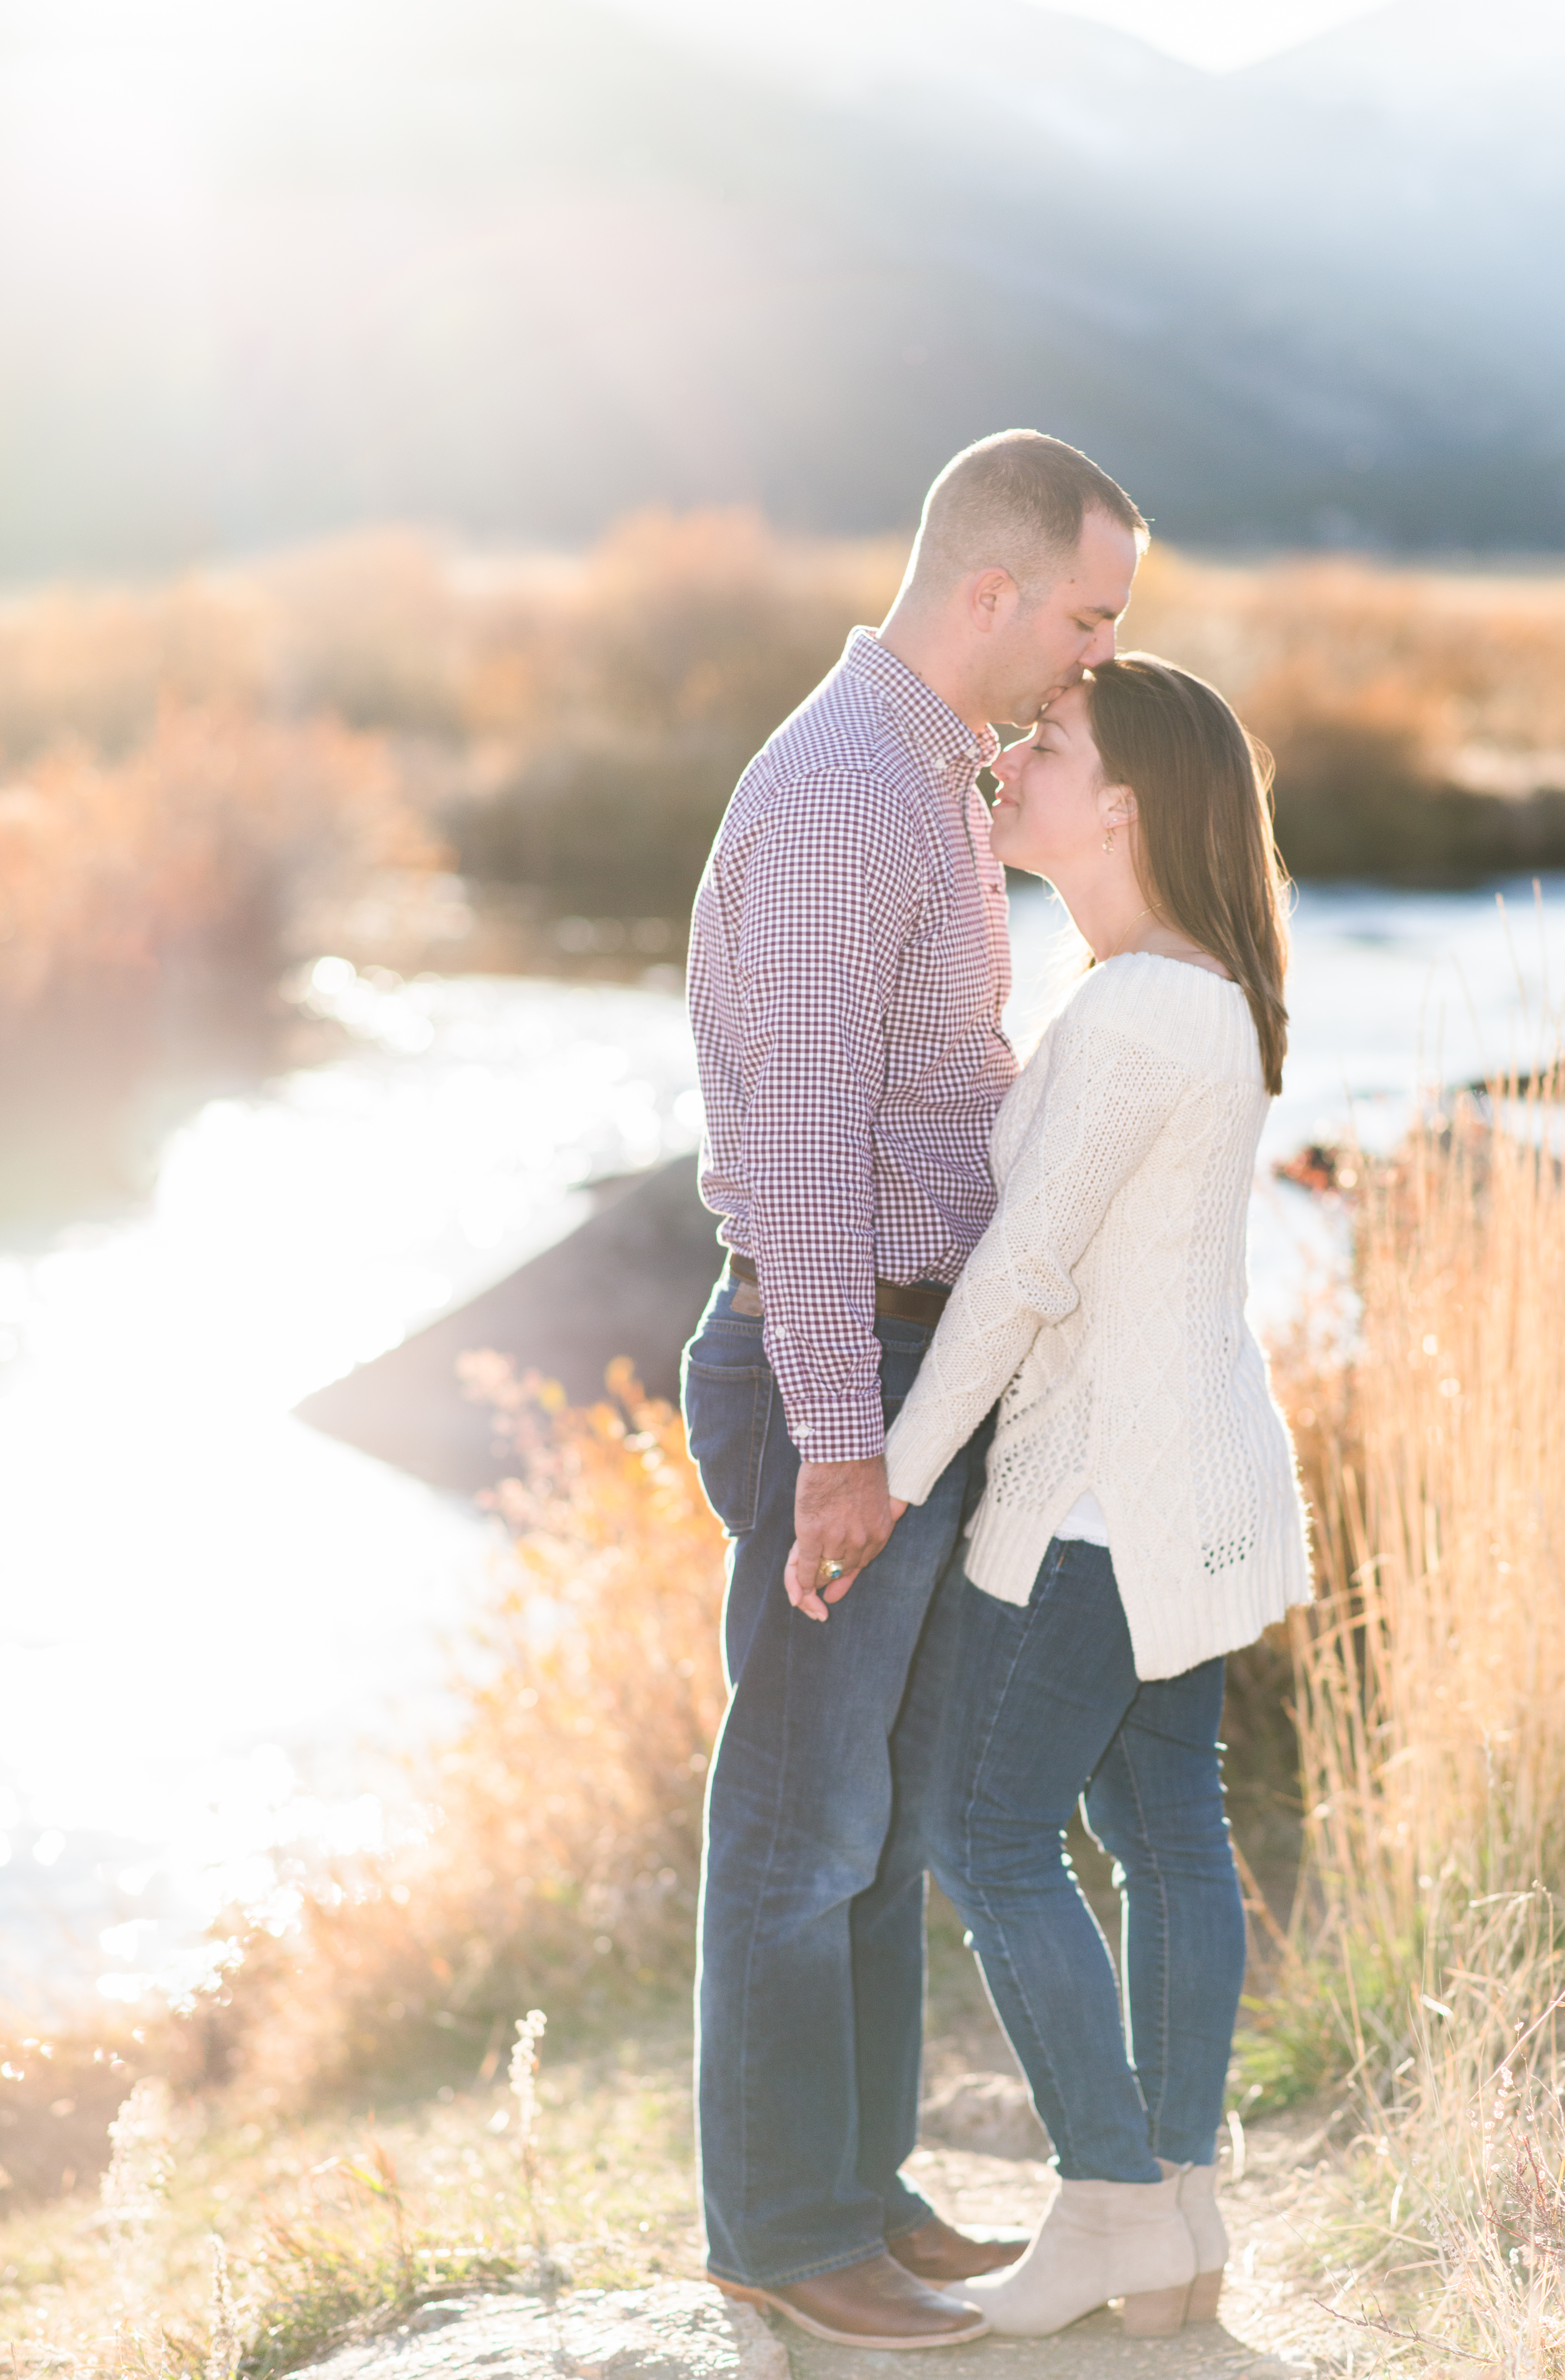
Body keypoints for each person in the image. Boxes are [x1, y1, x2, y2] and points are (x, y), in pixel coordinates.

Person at [681, 430, 1147, 2348]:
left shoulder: (932, 772)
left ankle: (853, 2192)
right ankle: (782, 2229)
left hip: (910, 1362)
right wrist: (839, 1442)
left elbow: (929, 1081)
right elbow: (795, 1154)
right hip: (835, 1367)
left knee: (866, 1817)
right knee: (798, 1825)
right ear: (989, 591)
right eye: (1087, 615)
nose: (1095, 659)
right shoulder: (833, 796)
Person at [880, 653, 1312, 2339]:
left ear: (1121, 800)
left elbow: (1018, 1274)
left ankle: (1113, 2200)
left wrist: (893, 1480)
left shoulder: (1138, 1008)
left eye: (1044, 745)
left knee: (983, 1832)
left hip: (1098, 1504)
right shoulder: (1186, 984)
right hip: (1183, 1484)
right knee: (1161, 1829)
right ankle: (1182, 2211)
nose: (1010, 761)